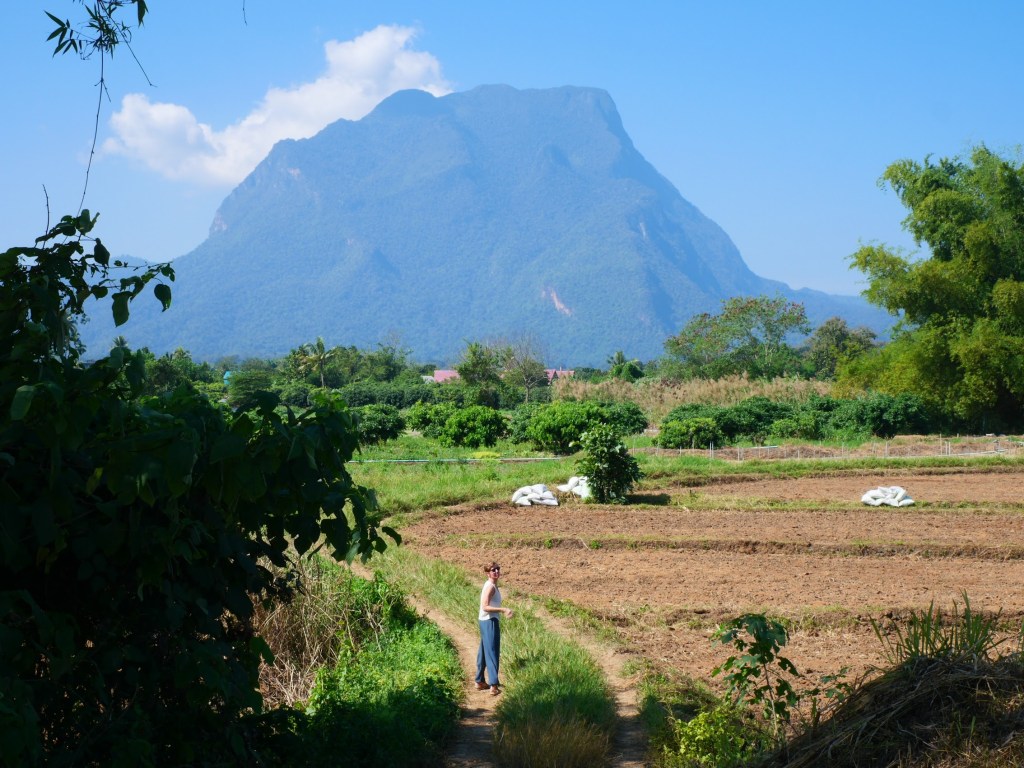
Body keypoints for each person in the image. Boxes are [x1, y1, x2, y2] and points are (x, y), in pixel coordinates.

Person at [475, 561, 513, 696]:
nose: (496, 571)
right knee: (492, 652)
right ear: (487, 573)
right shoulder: (490, 587)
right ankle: (494, 685)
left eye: (498, 569)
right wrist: (504, 609)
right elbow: (485, 606)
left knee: (484, 651)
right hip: (489, 621)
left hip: (485, 620)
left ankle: (479, 681)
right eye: (493, 570)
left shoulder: (491, 585)